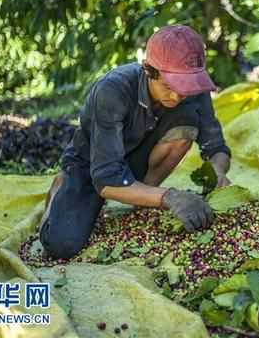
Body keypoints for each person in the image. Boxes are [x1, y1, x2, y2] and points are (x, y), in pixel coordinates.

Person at [38, 25, 232, 260]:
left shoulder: (192, 89)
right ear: (149, 71)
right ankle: (62, 186)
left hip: (137, 158)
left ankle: (141, 198)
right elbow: (106, 178)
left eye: (185, 89)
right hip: (92, 165)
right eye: (169, 87)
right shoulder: (113, 90)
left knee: (187, 121)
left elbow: (216, 148)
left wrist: (218, 172)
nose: (177, 96)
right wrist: (169, 197)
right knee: (61, 246)